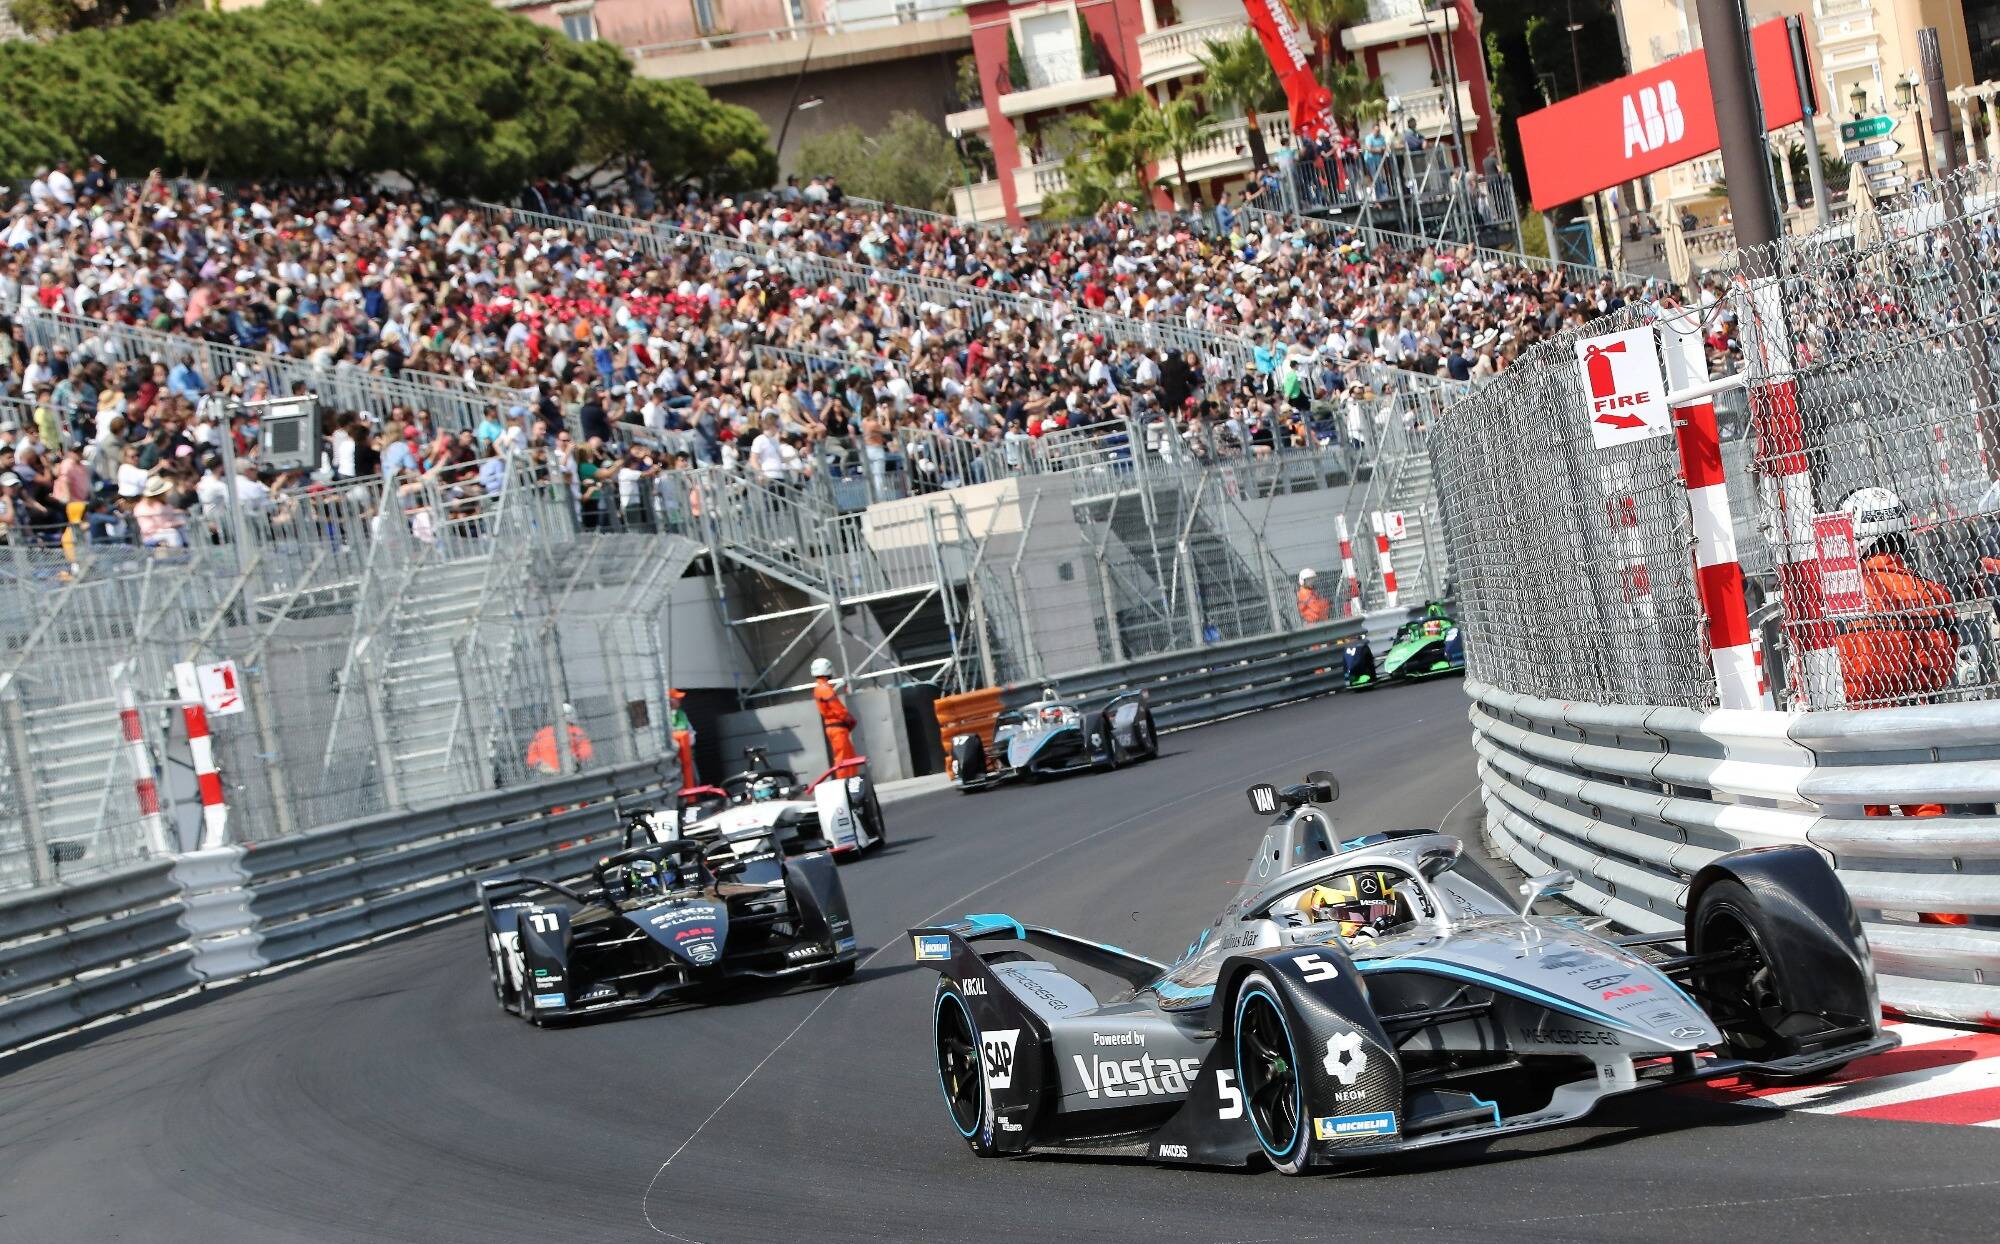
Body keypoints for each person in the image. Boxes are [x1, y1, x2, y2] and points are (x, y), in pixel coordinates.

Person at [1834, 488, 1952, 822]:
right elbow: (1940, 669)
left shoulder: (1844, 599)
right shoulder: (1930, 592)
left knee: (1870, 819)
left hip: (1857, 725)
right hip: (1913, 714)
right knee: (1929, 814)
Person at [810, 656, 858, 768]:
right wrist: (848, 719)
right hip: (837, 728)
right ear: (826, 669)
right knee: (843, 758)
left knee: (849, 757)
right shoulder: (824, 689)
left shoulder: (822, 688)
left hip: (836, 727)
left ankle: (851, 782)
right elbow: (836, 707)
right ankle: (844, 782)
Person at [524, 703, 594, 775]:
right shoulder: (576, 731)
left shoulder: (540, 734)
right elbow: (586, 750)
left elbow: (531, 758)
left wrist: (540, 764)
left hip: (549, 775)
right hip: (571, 771)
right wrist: (575, 757)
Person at [668, 687, 697, 791]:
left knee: (694, 779)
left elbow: (685, 728)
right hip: (674, 757)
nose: (680, 700)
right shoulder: (666, 716)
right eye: (676, 698)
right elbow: (678, 730)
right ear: (670, 701)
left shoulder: (680, 713)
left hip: (687, 753)